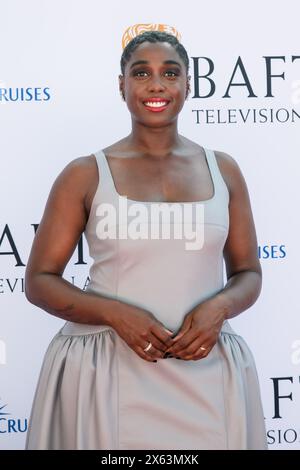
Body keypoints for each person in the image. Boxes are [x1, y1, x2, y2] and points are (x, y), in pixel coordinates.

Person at [24, 27, 268, 450]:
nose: (156, 85)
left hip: (206, 368)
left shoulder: (224, 170)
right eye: (141, 73)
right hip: (107, 371)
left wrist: (220, 307)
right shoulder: (84, 173)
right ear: (122, 86)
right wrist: (116, 314)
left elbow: (248, 272)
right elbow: (40, 281)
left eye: (170, 73)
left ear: (188, 84)